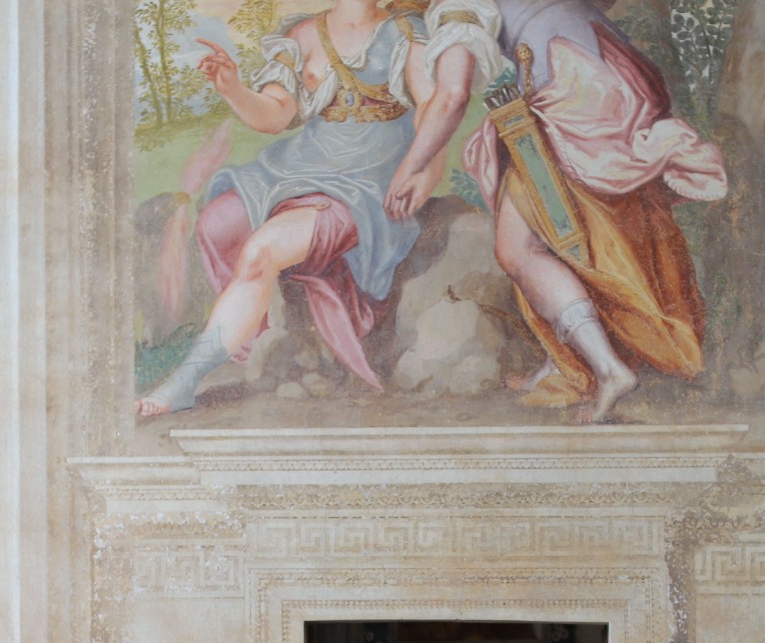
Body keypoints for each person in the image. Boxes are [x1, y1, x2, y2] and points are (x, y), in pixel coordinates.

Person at [137, 0, 488, 414]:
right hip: (296, 166)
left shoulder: (407, 31)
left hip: (365, 179)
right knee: (217, 222)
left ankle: (184, 381)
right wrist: (232, 88)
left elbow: (433, 115)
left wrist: (423, 175)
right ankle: (248, 333)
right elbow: (275, 115)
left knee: (261, 251)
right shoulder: (303, 34)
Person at [461, 0, 727, 421]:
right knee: (572, 232)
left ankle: (609, 369)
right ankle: (568, 362)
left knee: (519, 248)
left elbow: (452, 88)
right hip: (606, 63)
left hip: (576, 81)